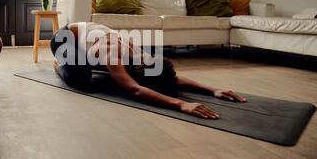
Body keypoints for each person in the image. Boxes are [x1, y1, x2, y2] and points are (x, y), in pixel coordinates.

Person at [51, 22, 247, 120]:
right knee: (82, 77)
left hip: (92, 42)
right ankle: (58, 65)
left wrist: (212, 90)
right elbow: (134, 89)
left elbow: (173, 79)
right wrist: (180, 104)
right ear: (139, 70)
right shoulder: (111, 53)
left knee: (94, 66)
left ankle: (80, 59)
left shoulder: (142, 57)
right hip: (66, 36)